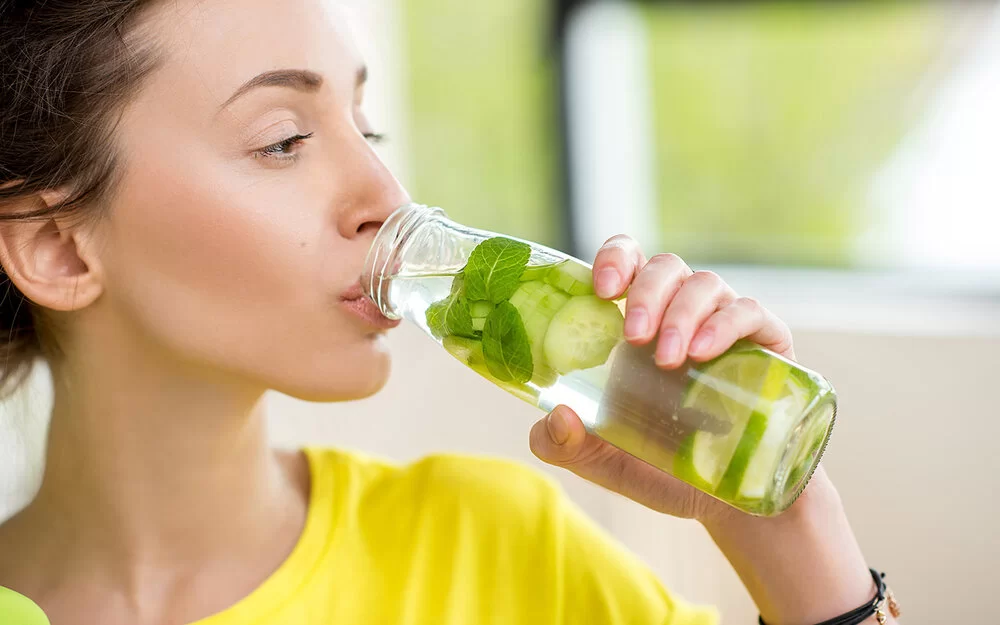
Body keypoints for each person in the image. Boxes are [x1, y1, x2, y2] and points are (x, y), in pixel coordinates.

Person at [0, 1, 898, 624]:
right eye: (283, 141)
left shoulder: (500, 549)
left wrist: (786, 531)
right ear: (59, 248)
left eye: (367, 127)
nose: (385, 195)